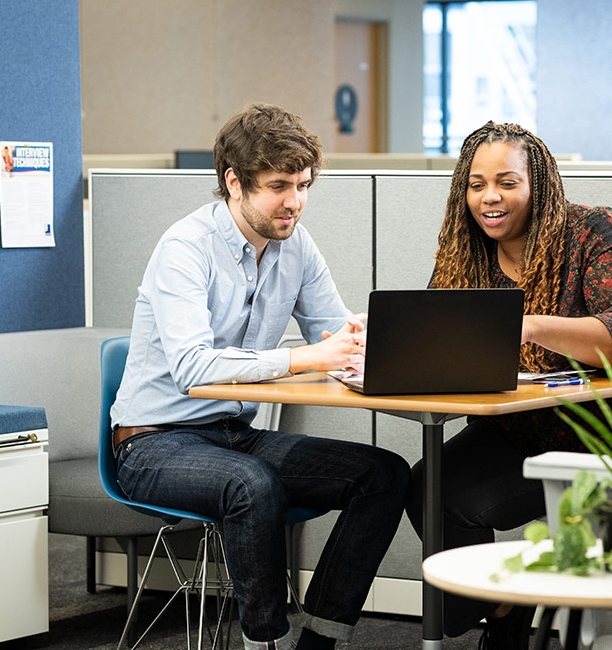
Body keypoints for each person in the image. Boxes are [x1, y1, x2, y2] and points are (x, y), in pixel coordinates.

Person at [110, 103, 410, 650]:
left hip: (233, 436)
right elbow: (194, 369)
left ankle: (319, 639)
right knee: (253, 484)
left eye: (302, 184)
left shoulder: (295, 243)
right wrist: (303, 359)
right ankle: (264, 641)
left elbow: (331, 335)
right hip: (152, 445)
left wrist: (373, 344)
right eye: (278, 186)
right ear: (234, 183)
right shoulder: (185, 248)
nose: (294, 201)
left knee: (385, 475)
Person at [405, 120, 612, 650]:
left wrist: (527, 323)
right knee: (429, 490)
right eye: (476, 185)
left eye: (506, 181)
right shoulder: (466, 256)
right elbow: (445, 340)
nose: (489, 198)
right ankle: (506, 612)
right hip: (533, 434)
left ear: (539, 183)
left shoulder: (597, 232)